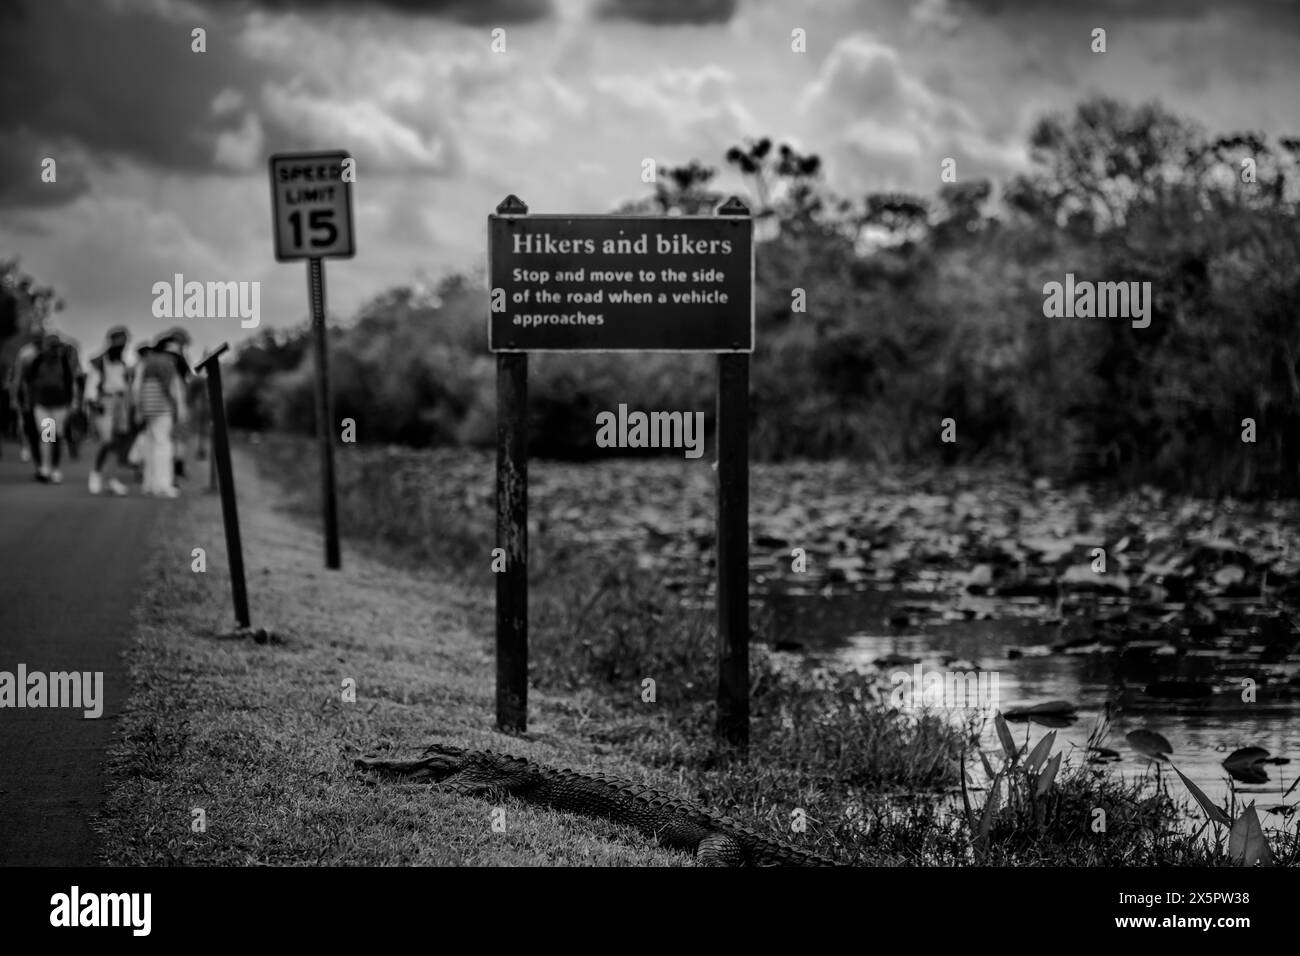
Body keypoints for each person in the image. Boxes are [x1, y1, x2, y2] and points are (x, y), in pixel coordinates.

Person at [131, 329, 189, 498]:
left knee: (151, 446)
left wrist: (138, 409)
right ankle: (162, 485)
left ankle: (149, 484)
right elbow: (174, 390)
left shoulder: (146, 362)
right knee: (163, 446)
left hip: (147, 409)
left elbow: (136, 388)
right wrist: (180, 410)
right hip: (163, 409)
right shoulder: (168, 363)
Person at [86, 326, 136, 496]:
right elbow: (92, 383)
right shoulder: (100, 362)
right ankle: (96, 473)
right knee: (107, 441)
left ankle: (111, 478)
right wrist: (93, 401)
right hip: (104, 401)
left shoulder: (122, 363)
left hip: (120, 402)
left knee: (117, 441)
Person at [23, 331, 78, 483]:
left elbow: (69, 383)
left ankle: (54, 468)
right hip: (43, 404)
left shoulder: (63, 362)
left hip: (59, 405)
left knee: (56, 437)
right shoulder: (37, 361)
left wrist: (72, 402)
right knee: (47, 436)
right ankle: (46, 467)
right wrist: (29, 401)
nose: (54, 350)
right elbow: (29, 383)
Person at [8, 330, 43, 470]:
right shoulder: (26, 353)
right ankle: (40, 461)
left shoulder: (49, 352)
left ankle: (47, 463)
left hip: (47, 401)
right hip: (30, 400)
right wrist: (14, 397)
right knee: (30, 429)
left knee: (48, 435)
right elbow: (17, 377)